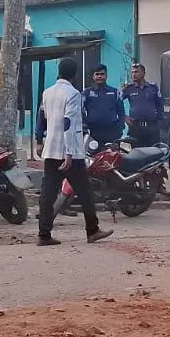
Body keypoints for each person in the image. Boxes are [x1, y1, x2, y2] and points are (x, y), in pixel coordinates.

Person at [37, 58, 113, 247]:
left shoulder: (47, 93)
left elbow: (44, 118)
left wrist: (40, 140)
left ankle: (44, 234)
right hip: (70, 152)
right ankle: (92, 230)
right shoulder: (73, 94)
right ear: (74, 74)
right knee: (85, 192)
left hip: (51, 149)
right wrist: (69, 153)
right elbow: (68, 123)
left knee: (48, 193)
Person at [122, 63, 163, 148]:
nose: (133, 74)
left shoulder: (153, 88)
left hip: (152, 127)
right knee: (135, 152)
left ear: (143, 73)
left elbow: (160, 105)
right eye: (132, 72)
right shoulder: (129, 89)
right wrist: (124, 117)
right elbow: (116, 102)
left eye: (136, 72)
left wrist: (159, 122)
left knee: (153, 152)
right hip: (135, 127)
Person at [81, 64, 125, 145]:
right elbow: (81, 111)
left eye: (102, 74)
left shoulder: (115, 92)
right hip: (93, 134)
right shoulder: (86, 93)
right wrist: (85, 129)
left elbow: (121, 112)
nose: (100, 76)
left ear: (106, 75)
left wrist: (120, 128)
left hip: (112, 133)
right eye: (97, 74)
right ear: (93, 76)